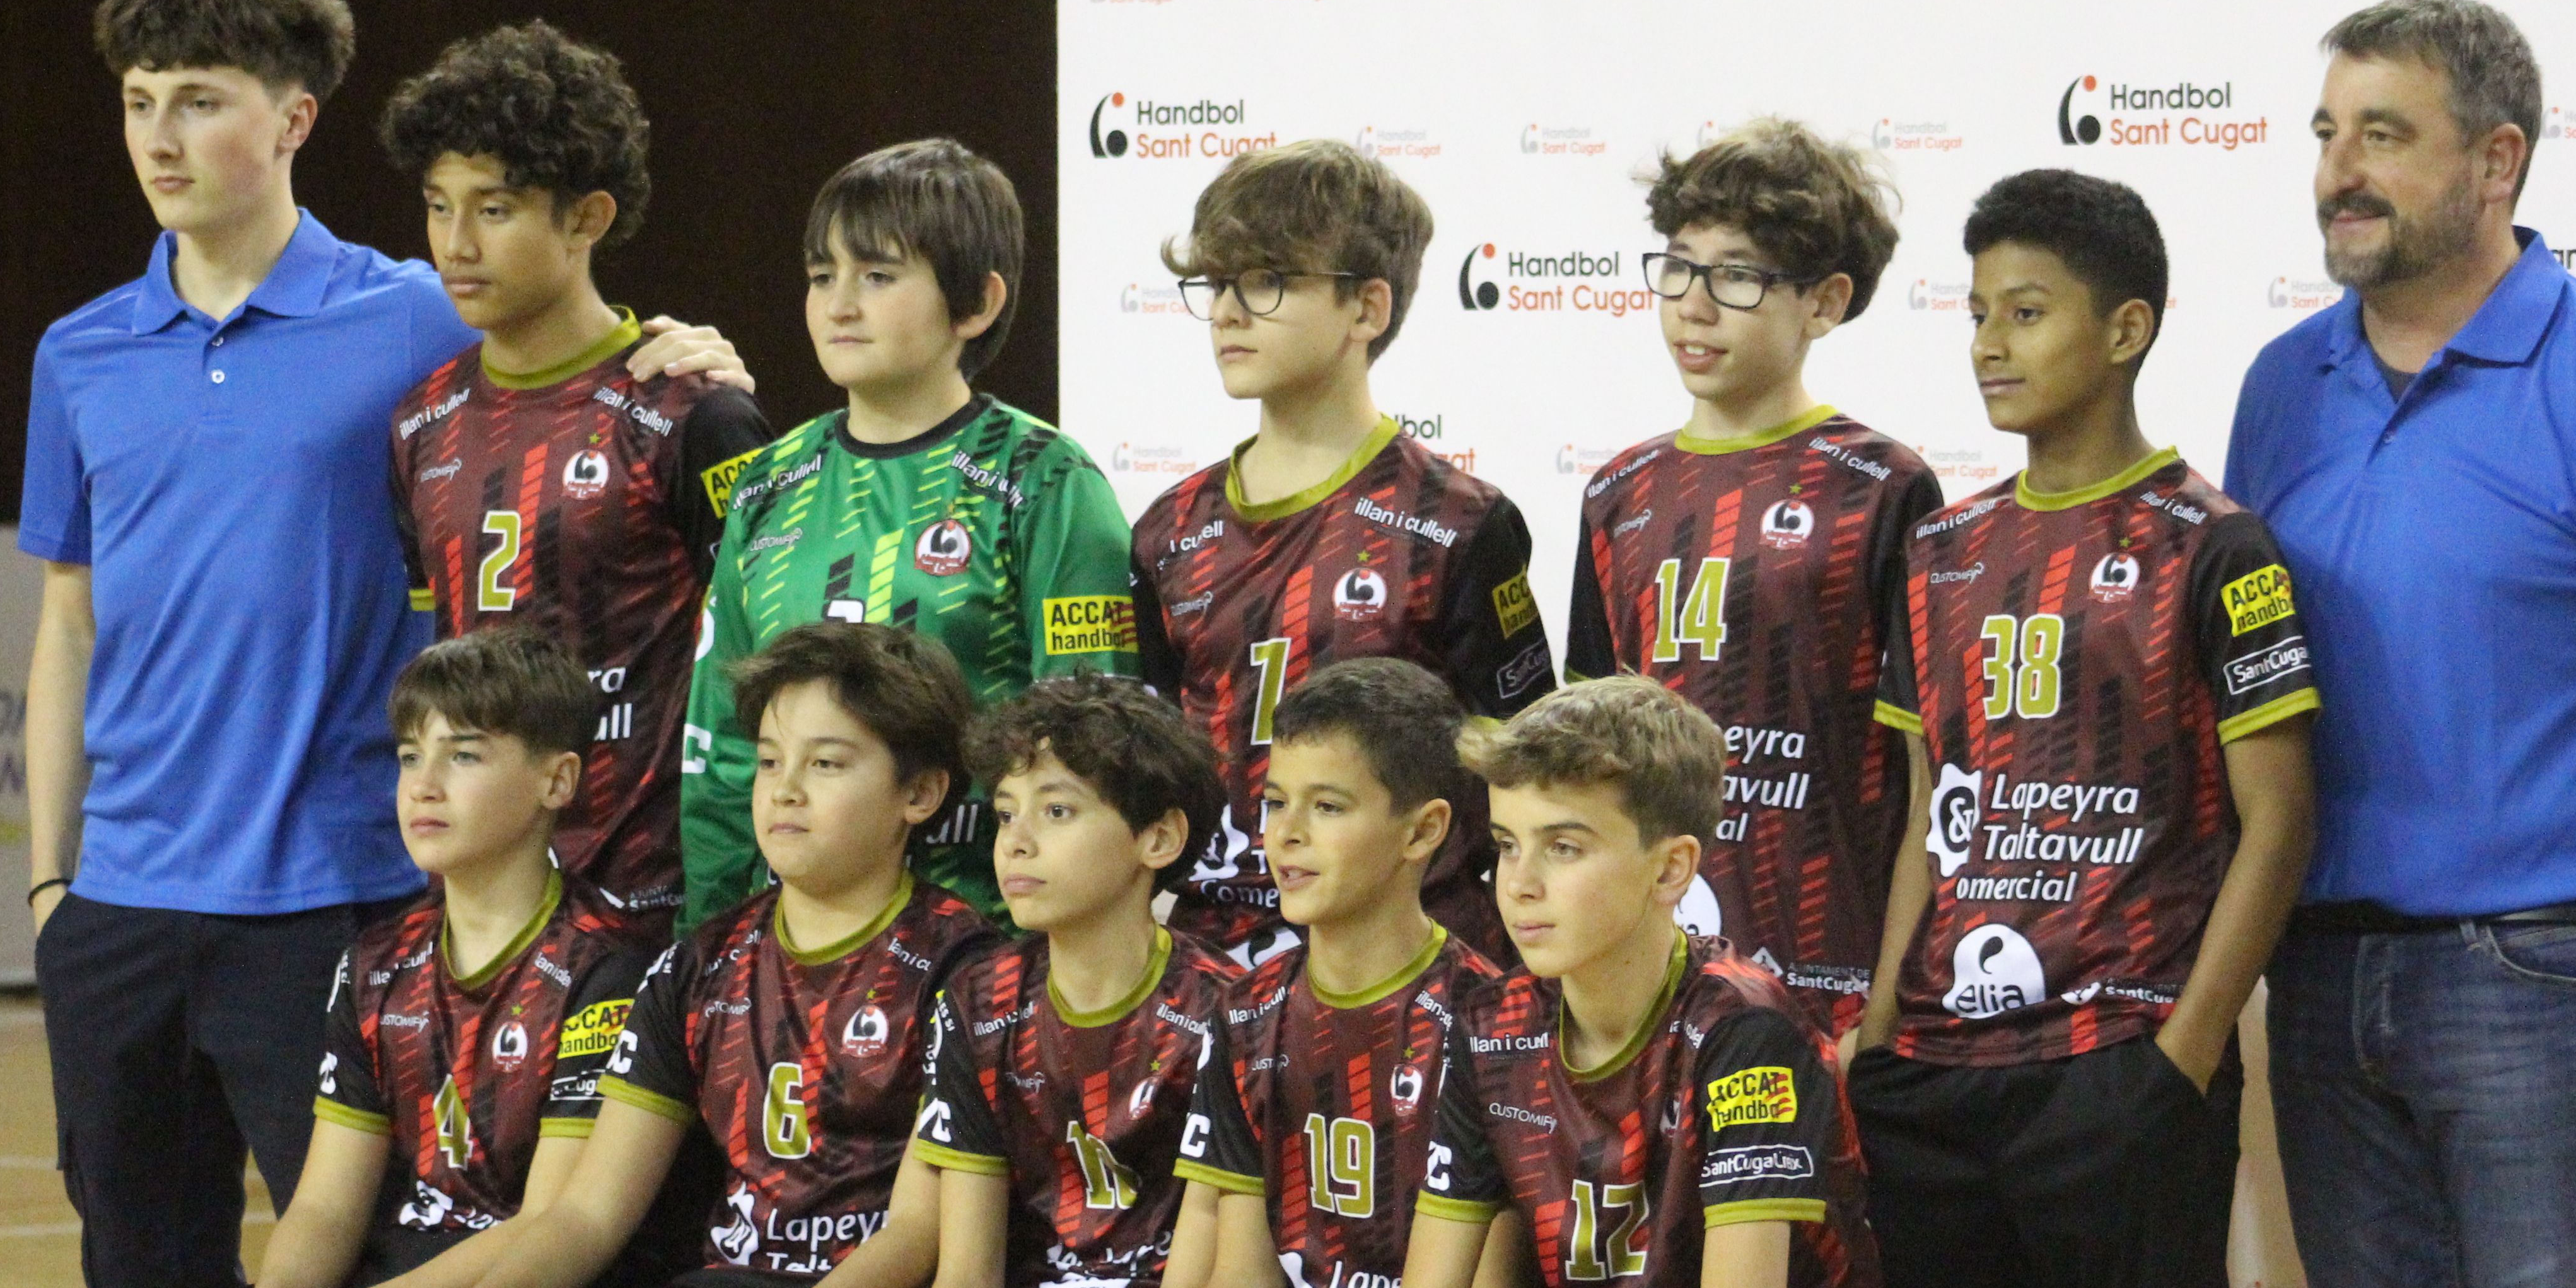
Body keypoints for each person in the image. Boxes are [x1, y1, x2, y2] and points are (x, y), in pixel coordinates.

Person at [23, 0, 745, 1288]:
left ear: (294, 120)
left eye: (200, 100)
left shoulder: (412, 313)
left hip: (334, 902)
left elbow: (569, 325)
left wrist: (690, 343)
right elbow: (65, 624)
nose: (161, 137)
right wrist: (53, 883)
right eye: (138, 100)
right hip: (118, 909)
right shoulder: (79, 352)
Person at [2222, 0, 2576, 1288]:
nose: (2340, 172)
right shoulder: (2282, 385)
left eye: (2384, 137)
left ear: (2500, 160)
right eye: (2328, 134)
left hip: (2551, 964)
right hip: (2327, 968)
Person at [1853, 171, 2317, 1288]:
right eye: (1977, 311)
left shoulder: (2212, 543)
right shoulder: (1934, 549)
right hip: (1935, 1078)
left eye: (2028, 311)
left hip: (2117, 1072)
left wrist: (2177, 1059)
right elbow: (1933, 808)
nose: (1990, 341)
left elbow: (2283, 817)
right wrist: (1875, 1030)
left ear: (2124, 328)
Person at [1236, 675, 1919, 1288]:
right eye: (1510, 846)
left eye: (1565, 848)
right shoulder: (1491, 1023)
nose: (1521, 884)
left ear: (1670, 869)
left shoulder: (1745, 1031)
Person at [355, 623, 991, 1288]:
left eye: (827, 764)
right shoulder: (700, 962)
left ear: (920, 795)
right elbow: (588, 1217)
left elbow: (920, 1237)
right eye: (771, 761)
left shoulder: (969, 969)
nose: (783, 790)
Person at [81, 631, 672, 1288]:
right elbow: (324, 1200)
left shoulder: (611, 969)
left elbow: (551, 1226)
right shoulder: (376, 960)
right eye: (409, 756)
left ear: (557, 780)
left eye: (465, 754)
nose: (424, 783)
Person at [1065, 659, 1512, 1288]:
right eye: (1274, 804)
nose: (1289, 836)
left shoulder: (1489, 1018)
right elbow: (1242, 1277)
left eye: (1329, 807)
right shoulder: (1248, 1009)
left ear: (1424, 831)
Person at [793, 675, 1238, 1288]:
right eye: (1005, 815)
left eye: (1059, 810)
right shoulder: (980, 1001)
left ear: (1156, 841)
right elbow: (966, 1273)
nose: (1019, 841)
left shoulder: (1223, 1012)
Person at [683, 139, 1139, 926]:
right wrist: (711, 936)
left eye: (879, 276)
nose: (839, 305)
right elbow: (720, 747)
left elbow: (1093, 745)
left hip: (984, 940)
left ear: (978, 304)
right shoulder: (767, 484)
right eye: (823, 276)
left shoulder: (1046, 482)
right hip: (790, 946)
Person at [1130, 139, 1556, 966]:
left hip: (1412, 965)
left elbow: (1526, 768)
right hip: (1209, 966)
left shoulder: (1461, 525)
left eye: (1265, 282)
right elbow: (1140, 773)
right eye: (1216, 284)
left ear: (1367, 309)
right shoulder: (1166, 527)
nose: (1226, 312)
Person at [386, 20, 774, 919]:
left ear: (588, 218)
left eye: (494, 208)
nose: (456, 242)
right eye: (439, 205)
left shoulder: (695, 411)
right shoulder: (418, 422)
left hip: (654, 906)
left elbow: (763, 663)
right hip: (480, 909)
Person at [1566, 117, 1938, 1041]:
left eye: (1736, 276)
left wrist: (1884, 1008)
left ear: (1825, 301)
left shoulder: (1884, 488)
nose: (1693, 305)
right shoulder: (1618, 493)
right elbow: (1579, 769)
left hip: (1831, 986)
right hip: (1647, 990)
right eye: (1679, 267)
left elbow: (1932, 781)